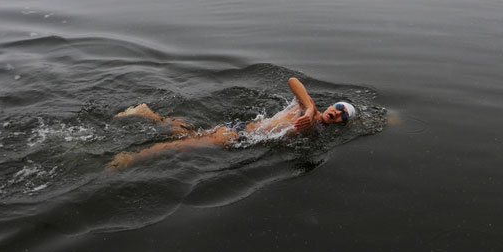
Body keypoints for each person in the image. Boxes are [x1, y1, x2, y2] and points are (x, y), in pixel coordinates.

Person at [106, 77, 357, 169]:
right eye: (337, 108)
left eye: (342, 116)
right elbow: (293, 81)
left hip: (240, 135)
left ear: (341, 124)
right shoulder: (308, 106)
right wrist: (311, 108)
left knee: (186, 135)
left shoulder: (318, 132)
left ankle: (147, 113)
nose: (336, 114)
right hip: (236, 137)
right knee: (183, 146)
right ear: (329, 106)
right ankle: (131, 158)